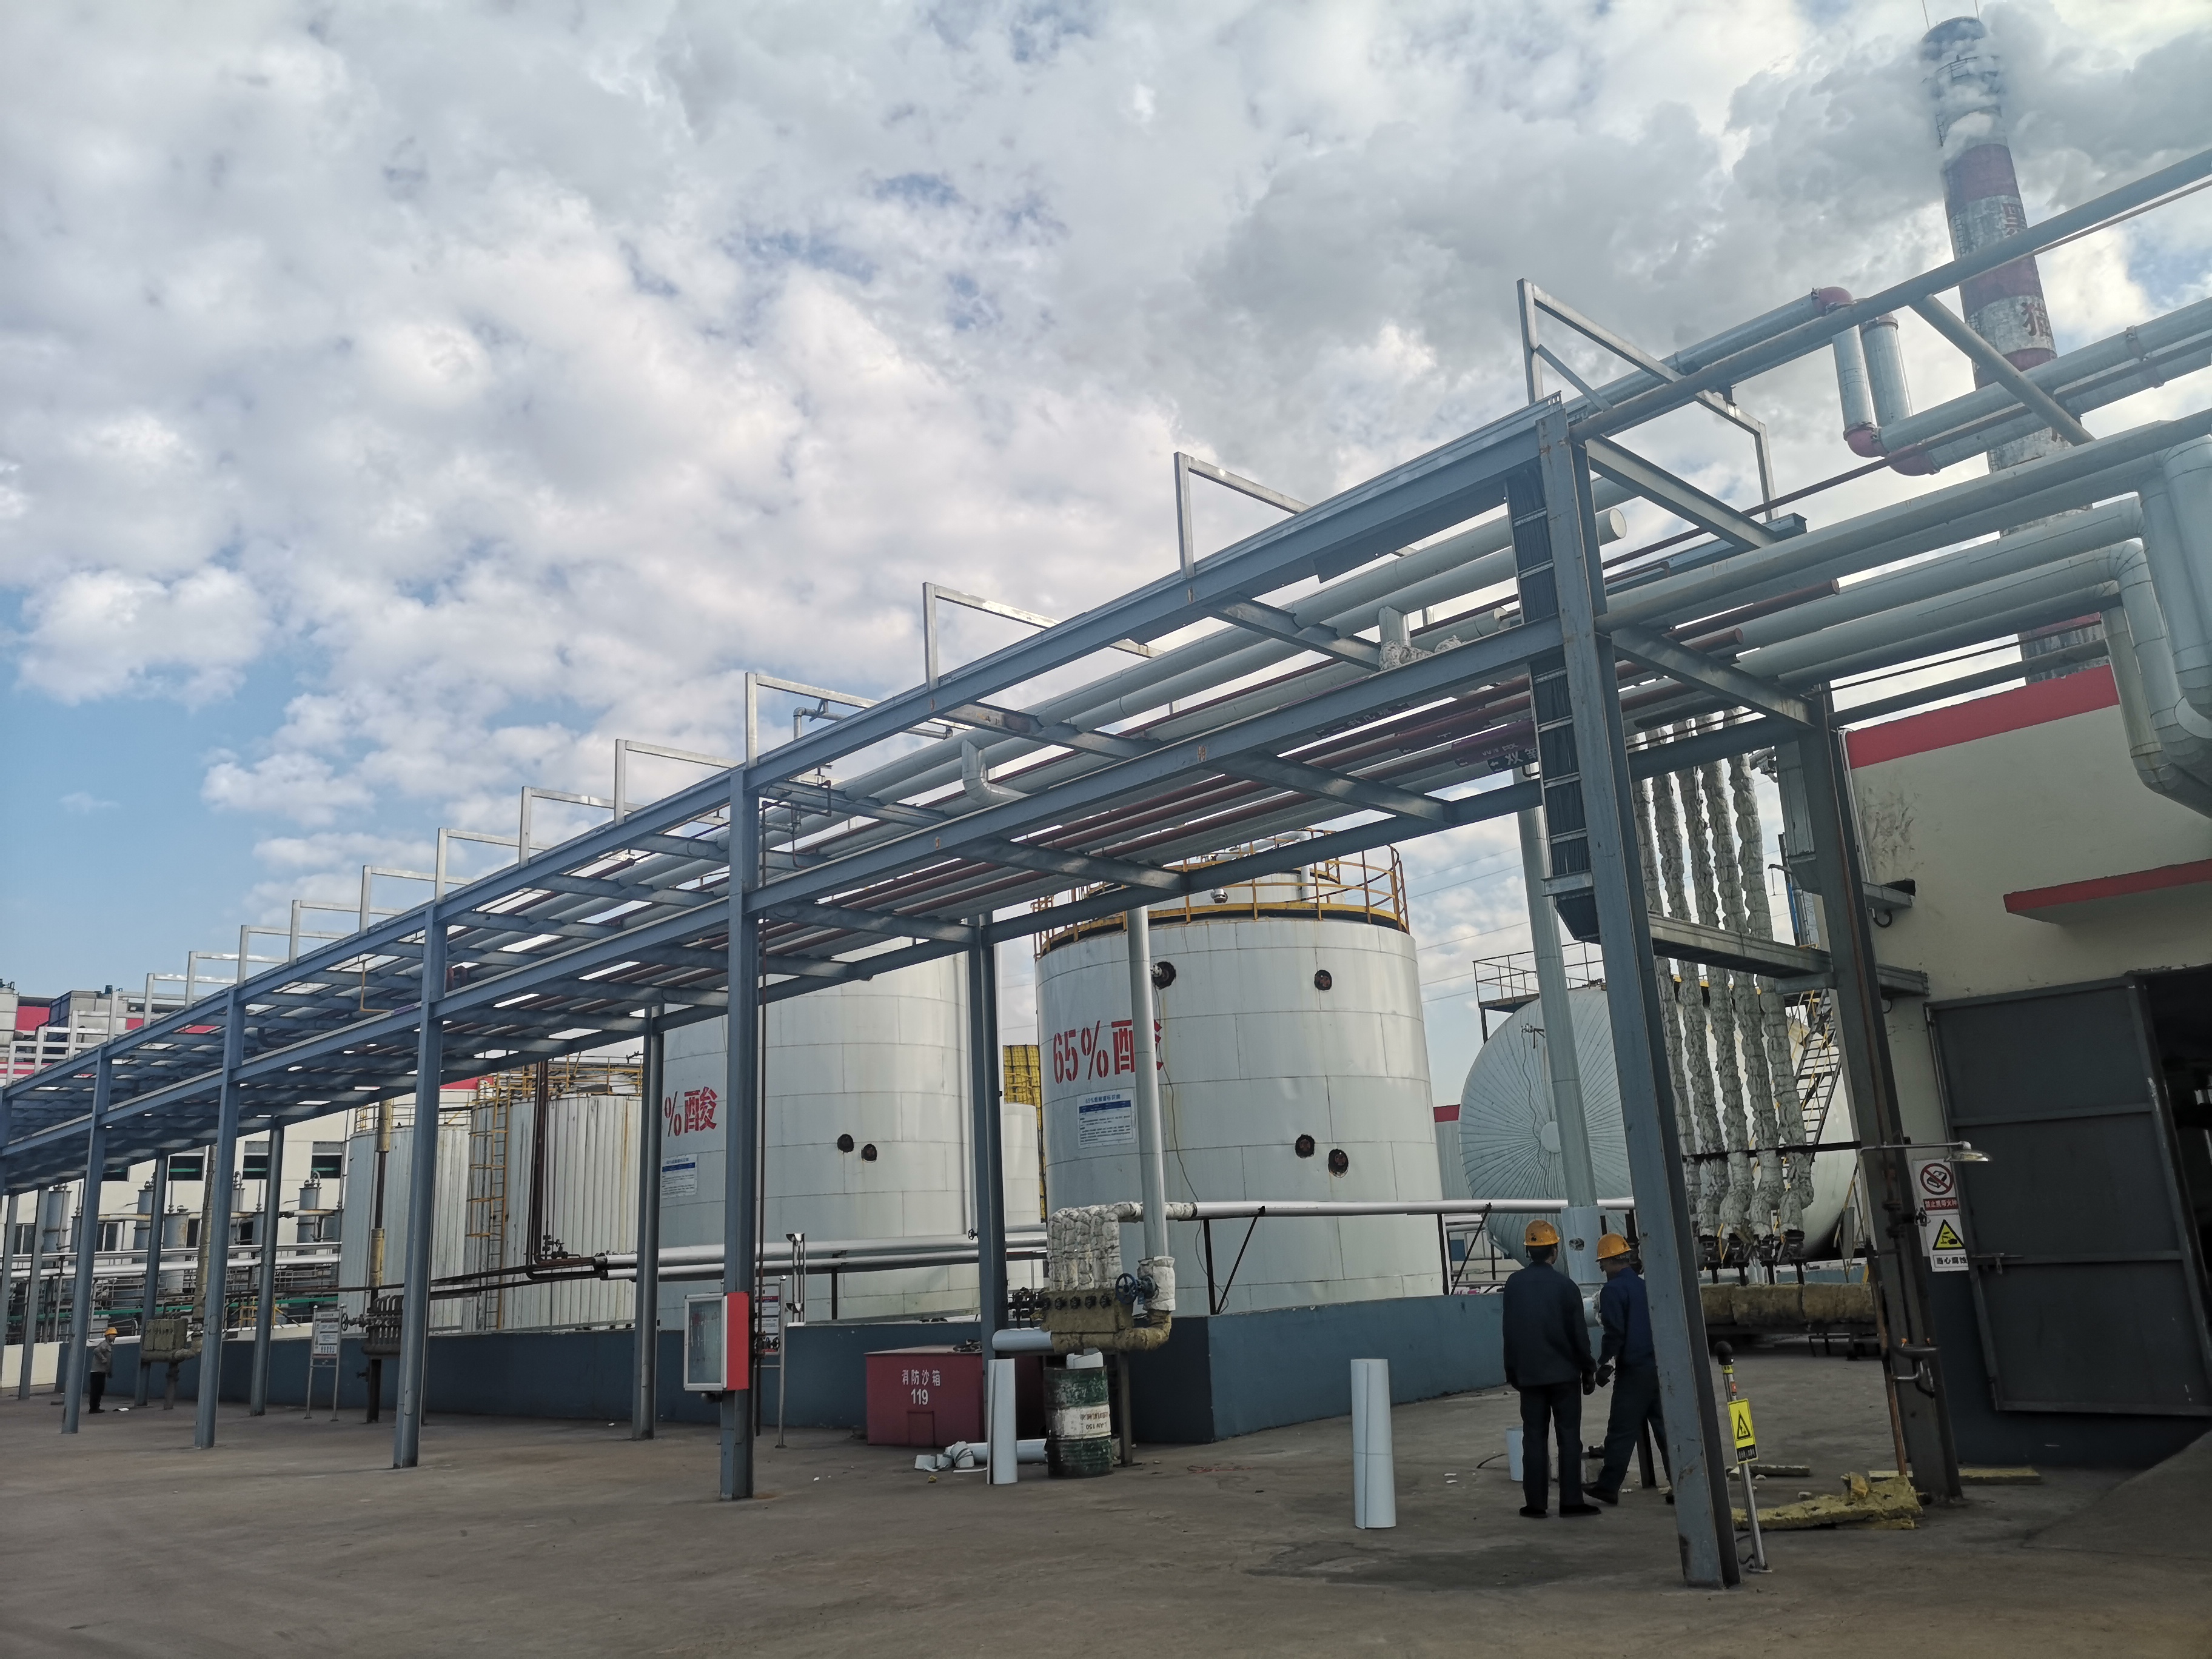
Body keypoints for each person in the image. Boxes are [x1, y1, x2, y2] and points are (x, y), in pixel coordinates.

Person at [1501, 1218, 1599, 1519]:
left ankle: (1535, 1504)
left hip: (1529, 1376)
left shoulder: (1514, 1285)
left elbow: (1510, 1332)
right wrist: (1588, 1370)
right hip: (1564, 1376)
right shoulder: (1566, 1287)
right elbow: (1579, 1335)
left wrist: (1512, 1372)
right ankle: (1571, 1502)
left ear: (1528, 1251)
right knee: (1569, 1437)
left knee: (1533, 1438)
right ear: (1554, 1251)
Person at [1588, 1234, 1669, 1504]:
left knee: (1621, 1430)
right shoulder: (1645, 1287)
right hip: (1658, 1367)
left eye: (1603, 1263)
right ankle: (1683, 1485)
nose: (1602, 1268)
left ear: (1611, 1261)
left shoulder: (1612, 1291)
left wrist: (1604, 1366)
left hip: (1634, 1371)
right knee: (1666, 1430)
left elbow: (1615, 1332)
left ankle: (1607, 1486)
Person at [87, 1326, 116, 1413]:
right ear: (108, 1336)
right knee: (96, 1391)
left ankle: (96, 1407)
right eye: (113, 1335)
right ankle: (93, 1408)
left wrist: (109, 1371)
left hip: (102, 1371)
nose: (114, 1337)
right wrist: (103, 1358)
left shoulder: (108, 1345)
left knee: (99, 1390)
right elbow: (96, 1351)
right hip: (97, 1372)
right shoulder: (104, 1344)